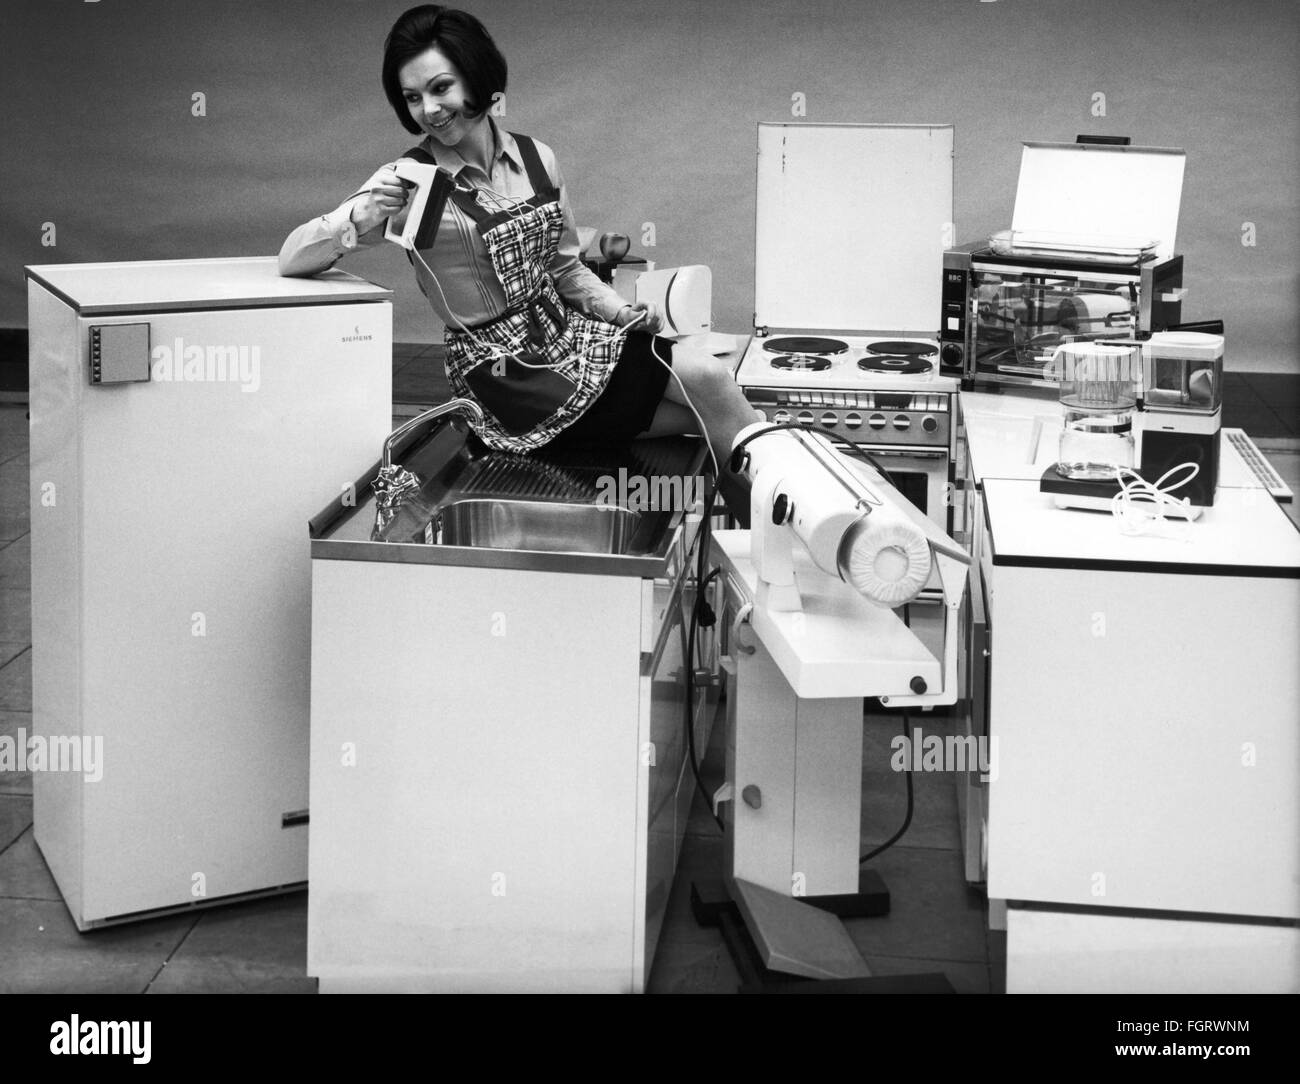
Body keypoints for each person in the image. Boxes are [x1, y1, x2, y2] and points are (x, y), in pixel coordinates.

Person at [278, 3, 759, 466]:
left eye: (441, 87)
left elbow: (565, 268)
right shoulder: (408, 180)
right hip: (507, 376)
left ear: (477, 75)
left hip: (572, 338)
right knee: (716, 414)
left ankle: (762, 527)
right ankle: (768, 529)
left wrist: (621, 311)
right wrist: (360, 217)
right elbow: (292, 257)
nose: (429, 109)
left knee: (714, 386)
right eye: (412, 97)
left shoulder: (536, 159)